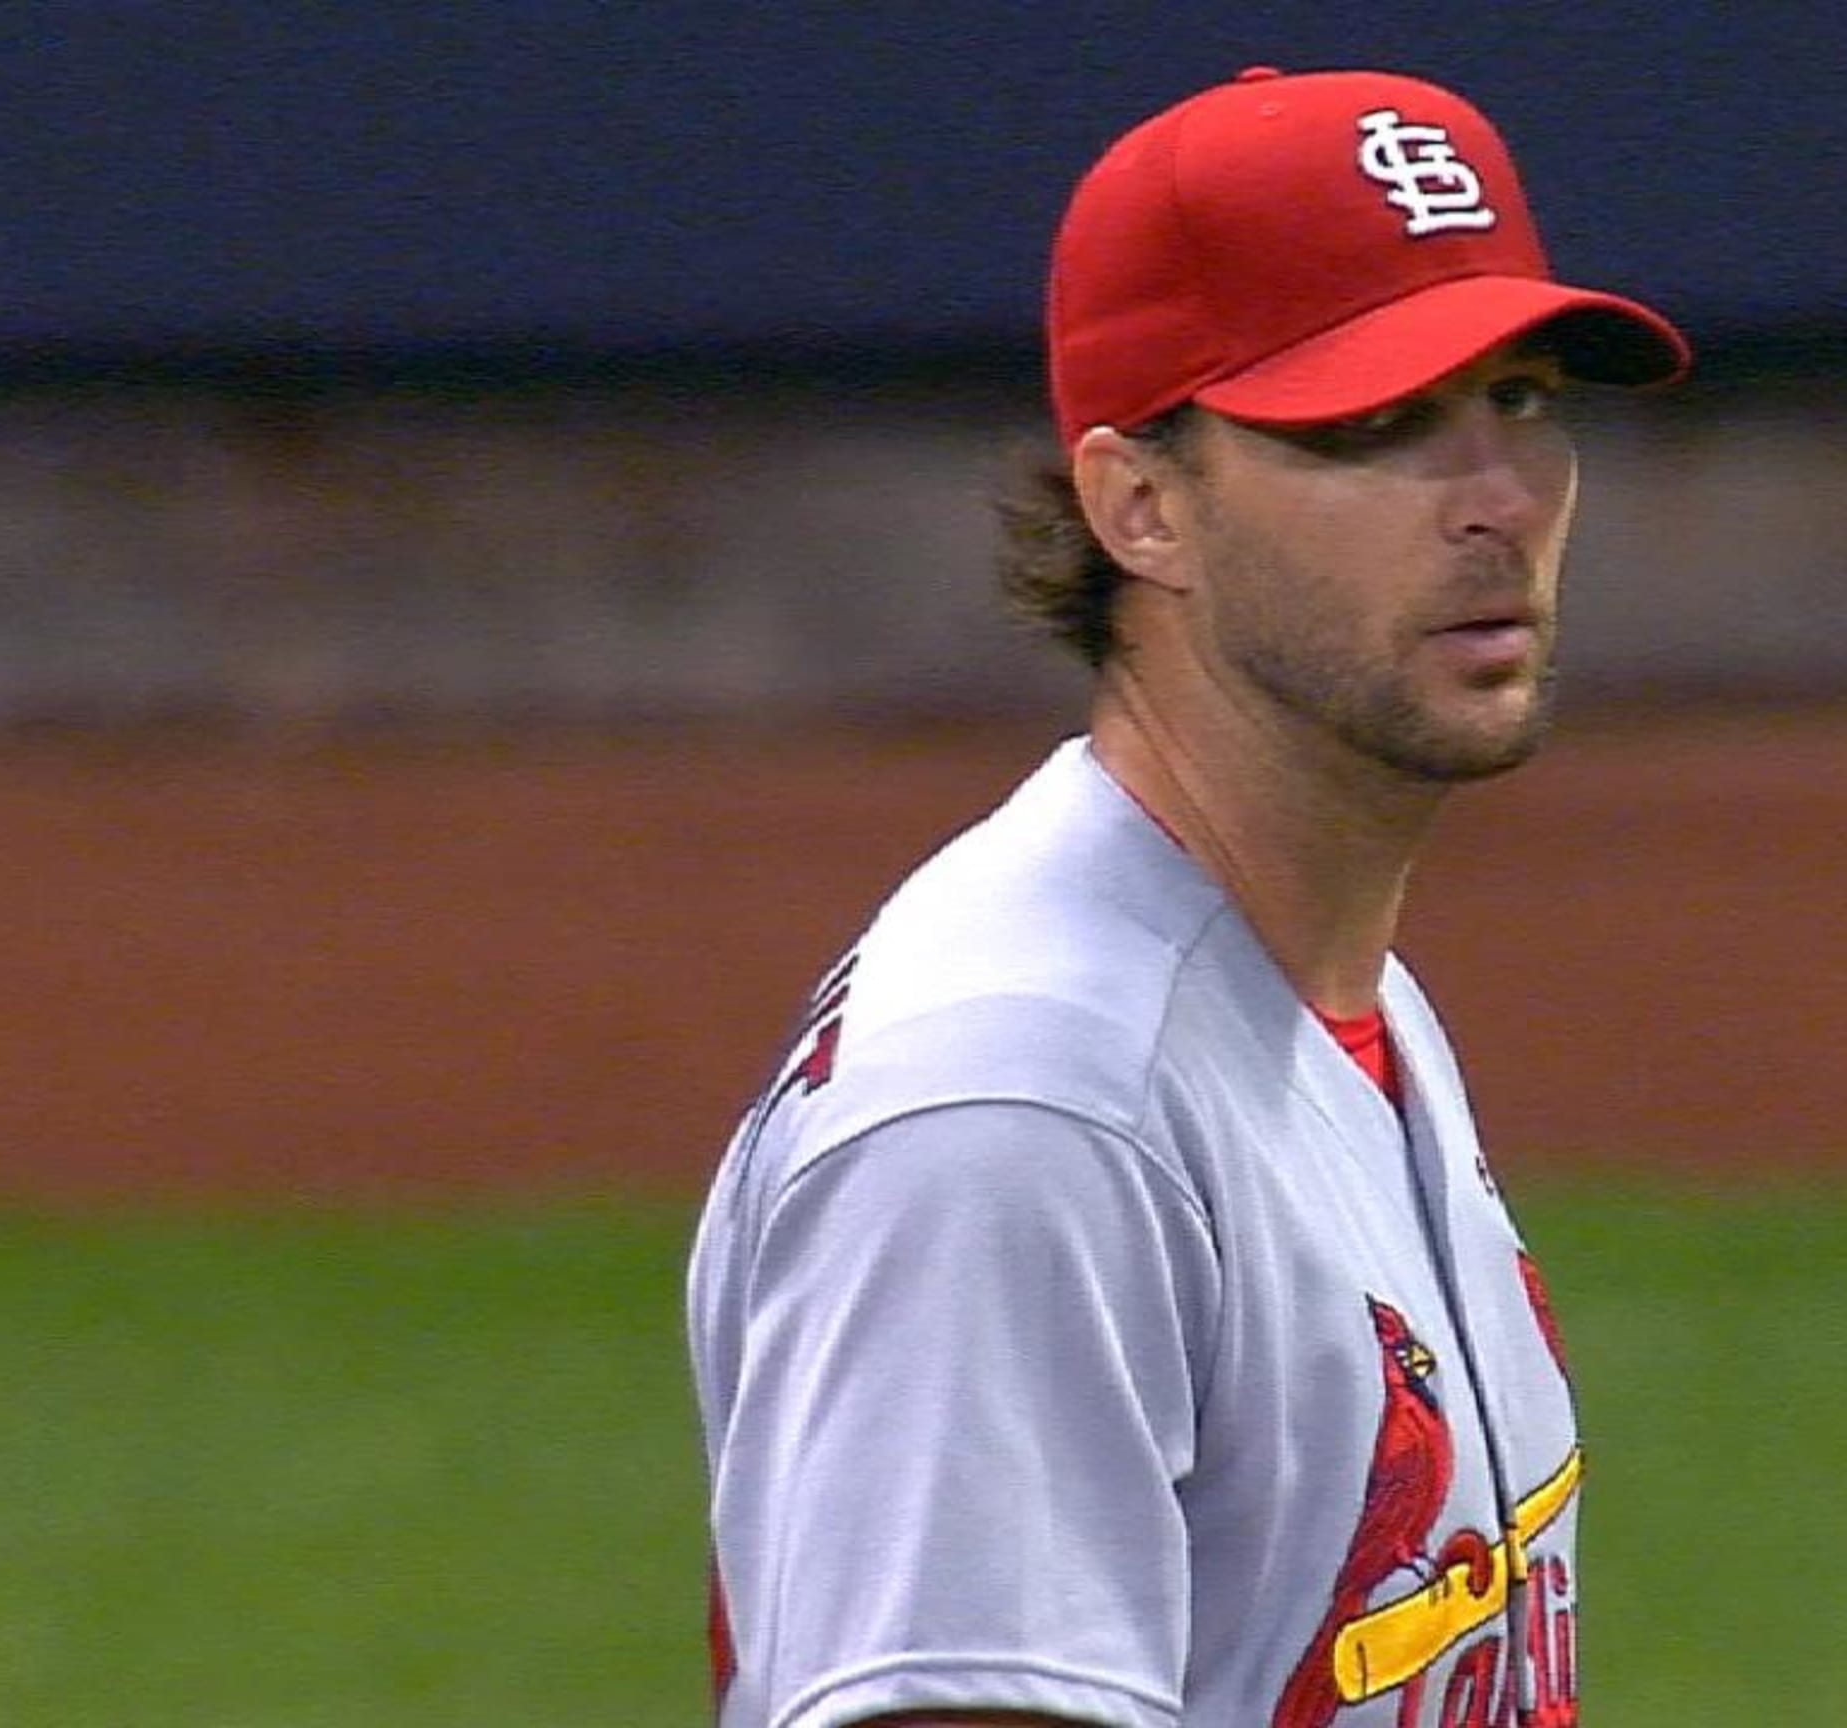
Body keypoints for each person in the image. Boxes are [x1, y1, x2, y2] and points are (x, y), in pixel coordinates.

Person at [685, 65, 1688, 1728]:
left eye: (1521, 400)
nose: (1497, 498)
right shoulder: (1022, 1106)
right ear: (1140, 505)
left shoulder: (1322, 990)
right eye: (1374, 429)